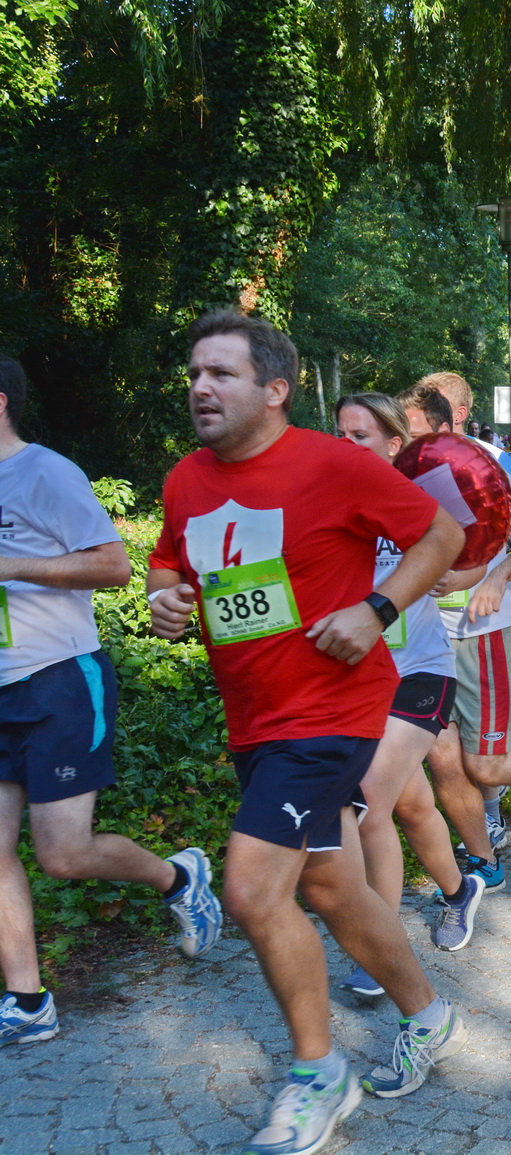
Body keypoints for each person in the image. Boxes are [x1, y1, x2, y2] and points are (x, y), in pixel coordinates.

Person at [147, 311, 472, 1151]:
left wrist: (377, 609)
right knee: (329, 886)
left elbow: (442, 535)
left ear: (275, 388)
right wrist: (165, 600)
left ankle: (317, 1073)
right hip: (254, 719)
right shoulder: (186, 479)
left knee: (255, 888)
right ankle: (430, 1016)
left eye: (221, 373)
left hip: (330, 713)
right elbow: (170, 567)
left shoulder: (331, 463)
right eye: (194, 374)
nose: (201, 388)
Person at [0, 355, 222, 1049]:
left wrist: (10, 565)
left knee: (62, 854)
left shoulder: (44, 472)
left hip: (57, 679)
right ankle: (28, 999)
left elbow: (113, 564)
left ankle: (178, 876)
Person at [397, 381, 511, 896]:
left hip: (483, 633)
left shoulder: (485, 463)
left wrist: (496, 578)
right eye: (397, 435)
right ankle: (483, 861)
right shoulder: (390, 472)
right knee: (443, 758)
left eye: (411, 435)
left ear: (444, 428)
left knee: (483, 763)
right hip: (421, 643)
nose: (403, 447)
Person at [332, 393, 488, 1000]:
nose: (346, 445)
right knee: (411, 806)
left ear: (395, 444)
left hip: (421, 669)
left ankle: (380, 946)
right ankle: (459, 890)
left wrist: (456, 573)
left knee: (369, 797)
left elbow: (475, 550)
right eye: (339, 434)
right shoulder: (329, 499)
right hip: (358, 677)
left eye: (360, 436)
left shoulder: (421, 495)